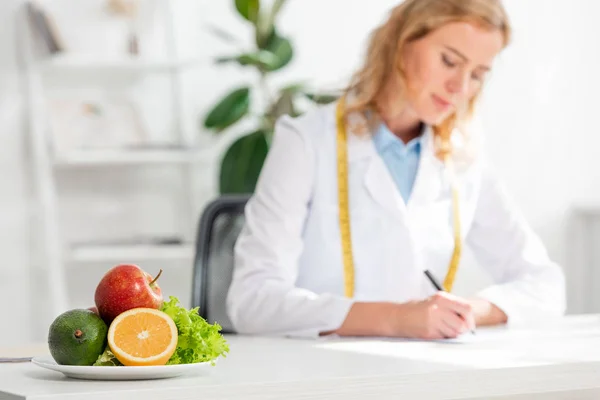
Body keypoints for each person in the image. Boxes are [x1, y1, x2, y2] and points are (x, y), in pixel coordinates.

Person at [226, 0, 566, 340]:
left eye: (477, 75)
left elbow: (545, 285)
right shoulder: (306, 142)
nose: (460, 87)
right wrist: (397, 318)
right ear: (401, 43)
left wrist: (462, 312)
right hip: (320, 376)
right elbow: (252, 300)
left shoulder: (462, 158)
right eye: (449, 61)